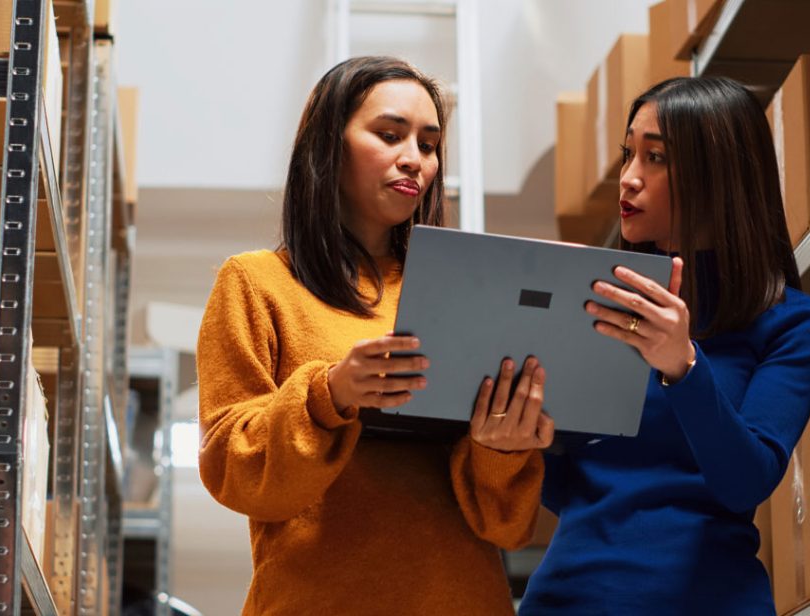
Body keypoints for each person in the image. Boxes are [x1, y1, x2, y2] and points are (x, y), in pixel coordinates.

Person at [196, 56, 555, 615]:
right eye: (390, 135)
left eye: (430, 145)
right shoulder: (256, 282)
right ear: (328, 144)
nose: (414, 159)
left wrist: (502, 447)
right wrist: (331, 393)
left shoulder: (465, 293)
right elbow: (232, 471)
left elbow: (506, 526)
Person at [519, 77, 810, 614]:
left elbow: (744, 483)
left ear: (719, 175)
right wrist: (530, 440)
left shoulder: (790, 324)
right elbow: (570, 489)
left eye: (655, 157)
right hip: (569, 598)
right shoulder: (593, 301)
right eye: (628, 153)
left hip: (707, 600)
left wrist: (683, 367)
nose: (629, 178)